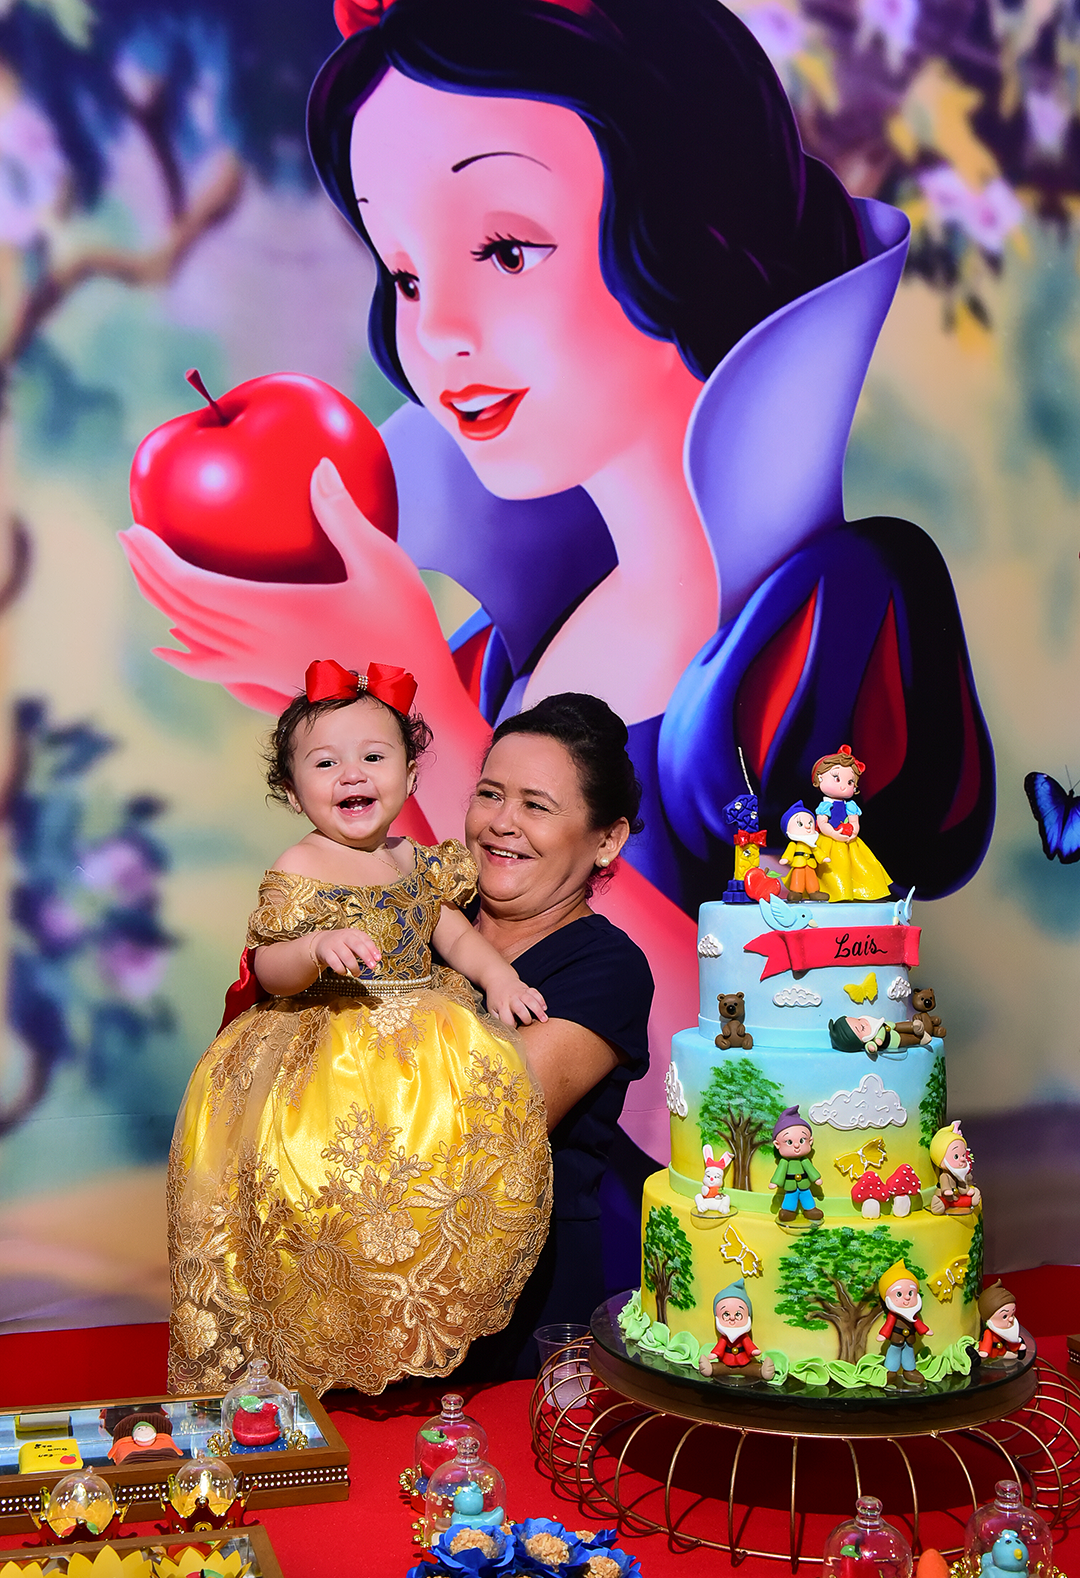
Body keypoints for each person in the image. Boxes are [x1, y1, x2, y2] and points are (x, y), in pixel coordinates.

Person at [120, 0, 994, 1163]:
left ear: (690, 230)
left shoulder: (826, 620)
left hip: (700, 1253)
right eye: (407, 274)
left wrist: (430, 705)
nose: (439, 332)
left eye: (506, 251)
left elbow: (780, 1109)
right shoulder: (504, 650)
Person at [166, 658, 552, 1398]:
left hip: (418, 1044)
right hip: (324, 1050)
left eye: (374, 757)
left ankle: (405, 1317)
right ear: (292, 790)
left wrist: (500, 977)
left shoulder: (413, 861)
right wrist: (314, 948)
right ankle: (319, 1333)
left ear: (409, 776)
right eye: (325, 763)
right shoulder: (302, 862)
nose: (352, 774)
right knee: (323, 1190)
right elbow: (268, 965)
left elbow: (452, 934)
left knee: (424, 1180)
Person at [455, 691, 655, 1377]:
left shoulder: (607, 968)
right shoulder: (423, 925)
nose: (501, 823)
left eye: (535, 806)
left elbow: (488, 1122)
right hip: (359, 1285)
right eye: (490, 794)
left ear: (607, 840)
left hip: (515, 1318)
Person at [811, 745, 892, 902]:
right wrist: (833, 833)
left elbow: (854, 820)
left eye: (850, 782)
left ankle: (861, 891)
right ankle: (835, 891)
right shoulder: (825, 805)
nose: (843, 786)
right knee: (833, 868)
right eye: (836, 778)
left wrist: (854, 831)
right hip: (829, 841)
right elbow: (822, 823)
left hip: (850, 841)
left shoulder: (851, 805)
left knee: (861, 865)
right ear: (820, 778)